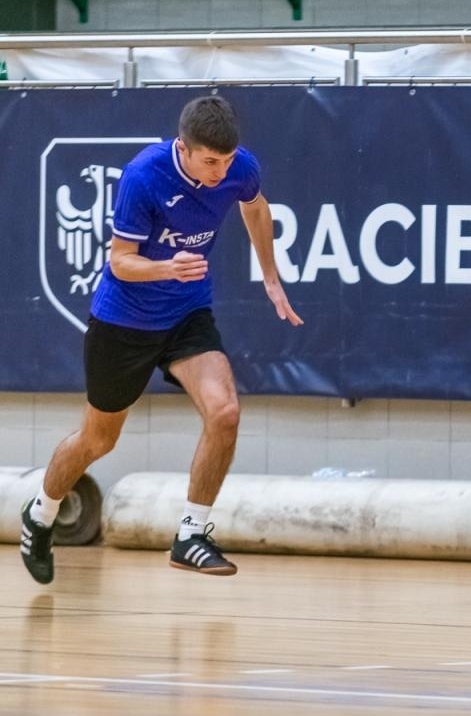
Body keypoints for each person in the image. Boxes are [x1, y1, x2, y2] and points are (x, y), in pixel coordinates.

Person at [20, 95, 302, 584]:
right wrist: (167, 268)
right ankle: (41, 513)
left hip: (186, 313)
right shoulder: (143, 176)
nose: (220, 172)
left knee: (225, 411)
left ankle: (190, 534)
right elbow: (120, 261)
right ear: (185, 148)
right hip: (124, 321)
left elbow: (256, 208)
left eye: (227, 161)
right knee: (98, 439)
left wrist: (270, 275)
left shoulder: (240, 167)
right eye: (210, 162)